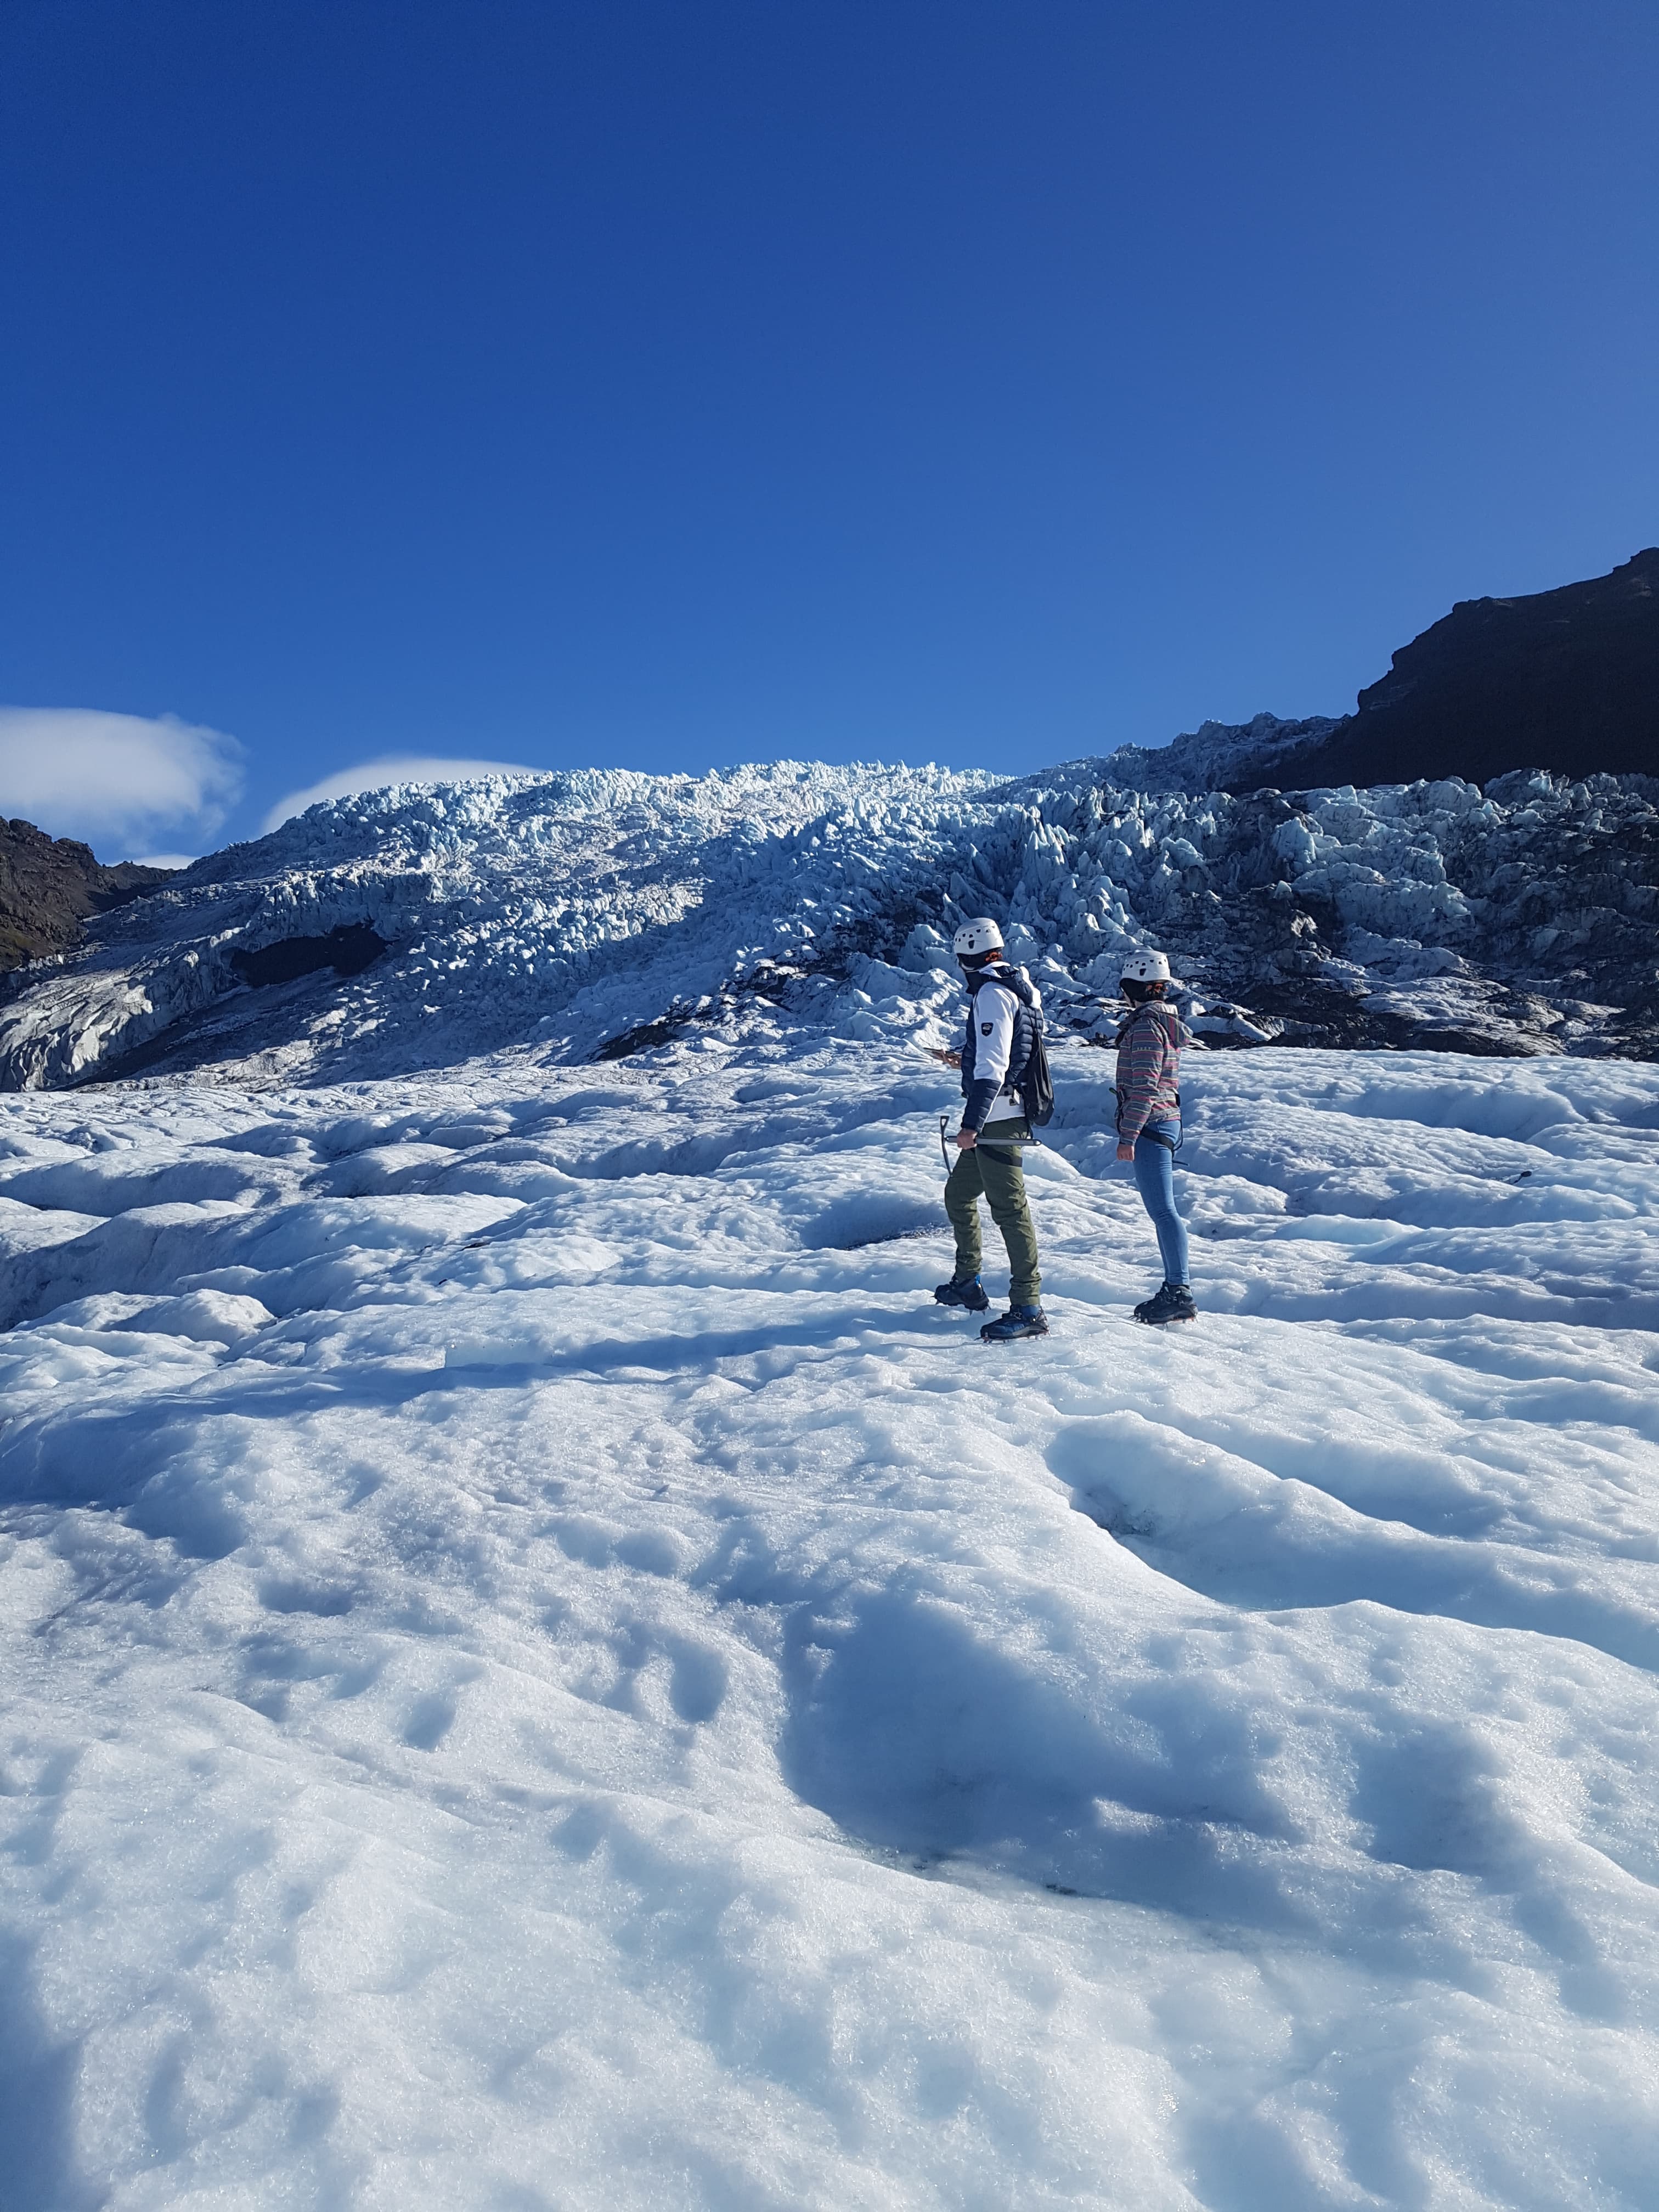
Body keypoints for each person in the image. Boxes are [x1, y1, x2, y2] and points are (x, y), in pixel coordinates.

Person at [934, 917, 1048, 1342]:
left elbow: (994, 1067)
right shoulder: (1015, 988)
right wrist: (962, 1056)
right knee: (959, 1194)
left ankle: (1029, 1306)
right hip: (999, 1113)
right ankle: (968, 1282)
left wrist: (971, 1124)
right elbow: (1005, 1049)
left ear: (966, 958)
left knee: (1010, 1210)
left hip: (997, 1118)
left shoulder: (991, 994)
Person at [1115, 950, 1197, 1324]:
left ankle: (1179, 1291)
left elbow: (1145, 1087)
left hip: (1153, 1125)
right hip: (1165, 1120)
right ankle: (1175, 1289)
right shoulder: (1164, 1022)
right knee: (1164, 1210)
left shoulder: (1147, 1027)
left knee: (1164, 1211)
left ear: (1134, 988)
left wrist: (1129, 1136)